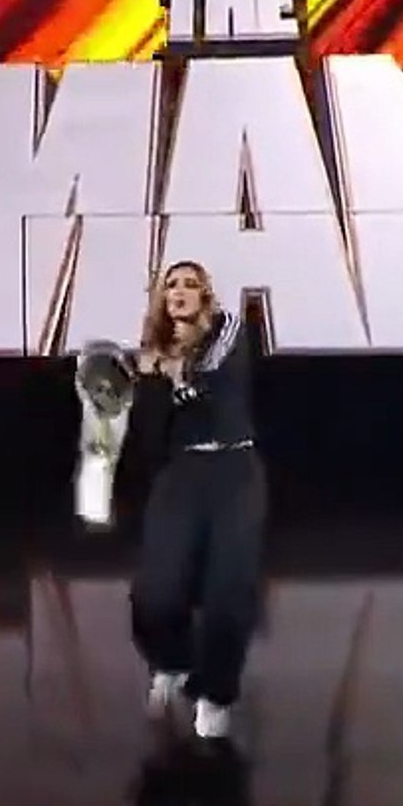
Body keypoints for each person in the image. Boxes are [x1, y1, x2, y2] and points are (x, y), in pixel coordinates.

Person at [129, 260, 266, 740]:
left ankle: (215, 696)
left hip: (235, 472)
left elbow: (208, 373)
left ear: (205, 295)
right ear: (161, 298)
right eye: (172, 285)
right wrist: (143, 385)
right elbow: (149, 435)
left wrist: (170, 370)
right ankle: (173, 662)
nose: (181, 291)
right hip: (182, 475)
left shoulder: (227, 329)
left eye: (191, 284)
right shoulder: (152, 354)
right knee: (155, 594)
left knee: (228, 593)